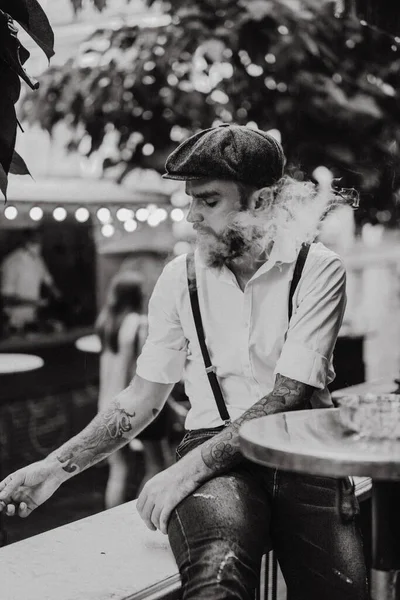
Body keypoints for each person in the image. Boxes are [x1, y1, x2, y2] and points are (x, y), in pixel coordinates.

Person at [0, 125, 368, 600]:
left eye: (209, 200)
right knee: (215, 578)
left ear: (263, 201)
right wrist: (54, 468)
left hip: (303, 450)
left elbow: (287, 396)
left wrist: (183, 470)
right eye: (190, 199)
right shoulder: (179, 278)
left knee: (340, 593)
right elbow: (140, 400)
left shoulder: (318, 268)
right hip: (214, 452)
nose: (191, 216)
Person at [96, 270, 169, 508]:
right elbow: (146, 369)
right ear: (138, 295)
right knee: (157, 465)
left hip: (105, 402)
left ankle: (110, 521)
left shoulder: (106, 323)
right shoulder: (139, 324)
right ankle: (138, 516)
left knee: (118, 469)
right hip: (131, 402)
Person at [1, 229, 61, 333]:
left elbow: (49, 281)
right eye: (35, 242)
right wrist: (36, 303)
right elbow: (6, 299)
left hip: (32, 319)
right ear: (26, 242)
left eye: (40, 242)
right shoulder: (11, 263)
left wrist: (57, 298)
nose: (38, 246)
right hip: (13, 322)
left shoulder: (38, 260)